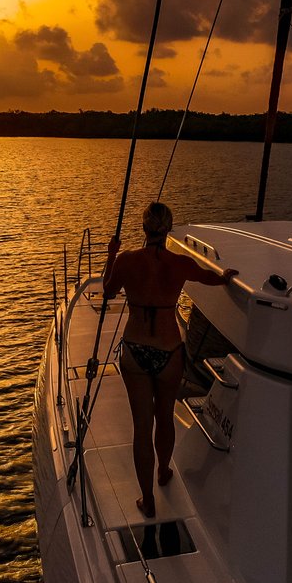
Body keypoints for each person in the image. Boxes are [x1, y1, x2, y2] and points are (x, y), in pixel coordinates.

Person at [103, 202, 236, 519]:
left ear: (144, 227)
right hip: (169, 351)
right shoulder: (180, 263)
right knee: (164, 417)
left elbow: (108, 291)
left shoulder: (127, 260)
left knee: (141, 428)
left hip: (136, 350)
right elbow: (211, 279)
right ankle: (163, 469)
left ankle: (147, 499)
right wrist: (227, 276)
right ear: (169, 228)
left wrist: (111, 254)